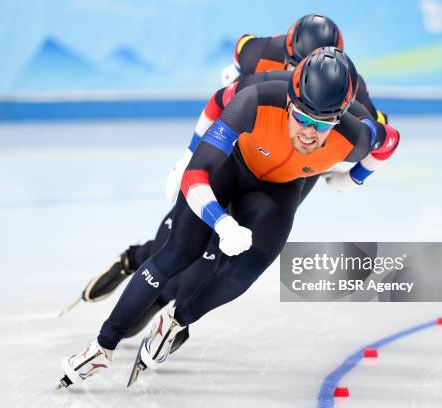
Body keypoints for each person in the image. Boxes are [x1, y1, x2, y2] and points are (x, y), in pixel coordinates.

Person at [57, 48, 400, 388]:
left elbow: (390, 141)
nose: (309, 133)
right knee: (177, 253)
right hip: (230, 168)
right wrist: (217, 214)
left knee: (250, 265)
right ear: (289, 103)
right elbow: (196, 175)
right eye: (302, 118)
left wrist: (353, 178)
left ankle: (177, 322)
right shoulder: (255, 100)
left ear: (339, 118)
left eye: (321, 124)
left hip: (278, 190)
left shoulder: (355, 137)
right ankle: (103, 345)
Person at [64, 14, 389, 316]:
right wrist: (190, 154)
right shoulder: (260, 52)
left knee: (234, 248)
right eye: (292, 65)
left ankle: (169, 308)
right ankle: (135, 259)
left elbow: (381, 129)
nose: (296, 76)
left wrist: (354, 173)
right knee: (192, 228)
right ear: (285, 53)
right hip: (246, 146)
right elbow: (225, 92)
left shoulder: (346, 83)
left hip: (294, 169)